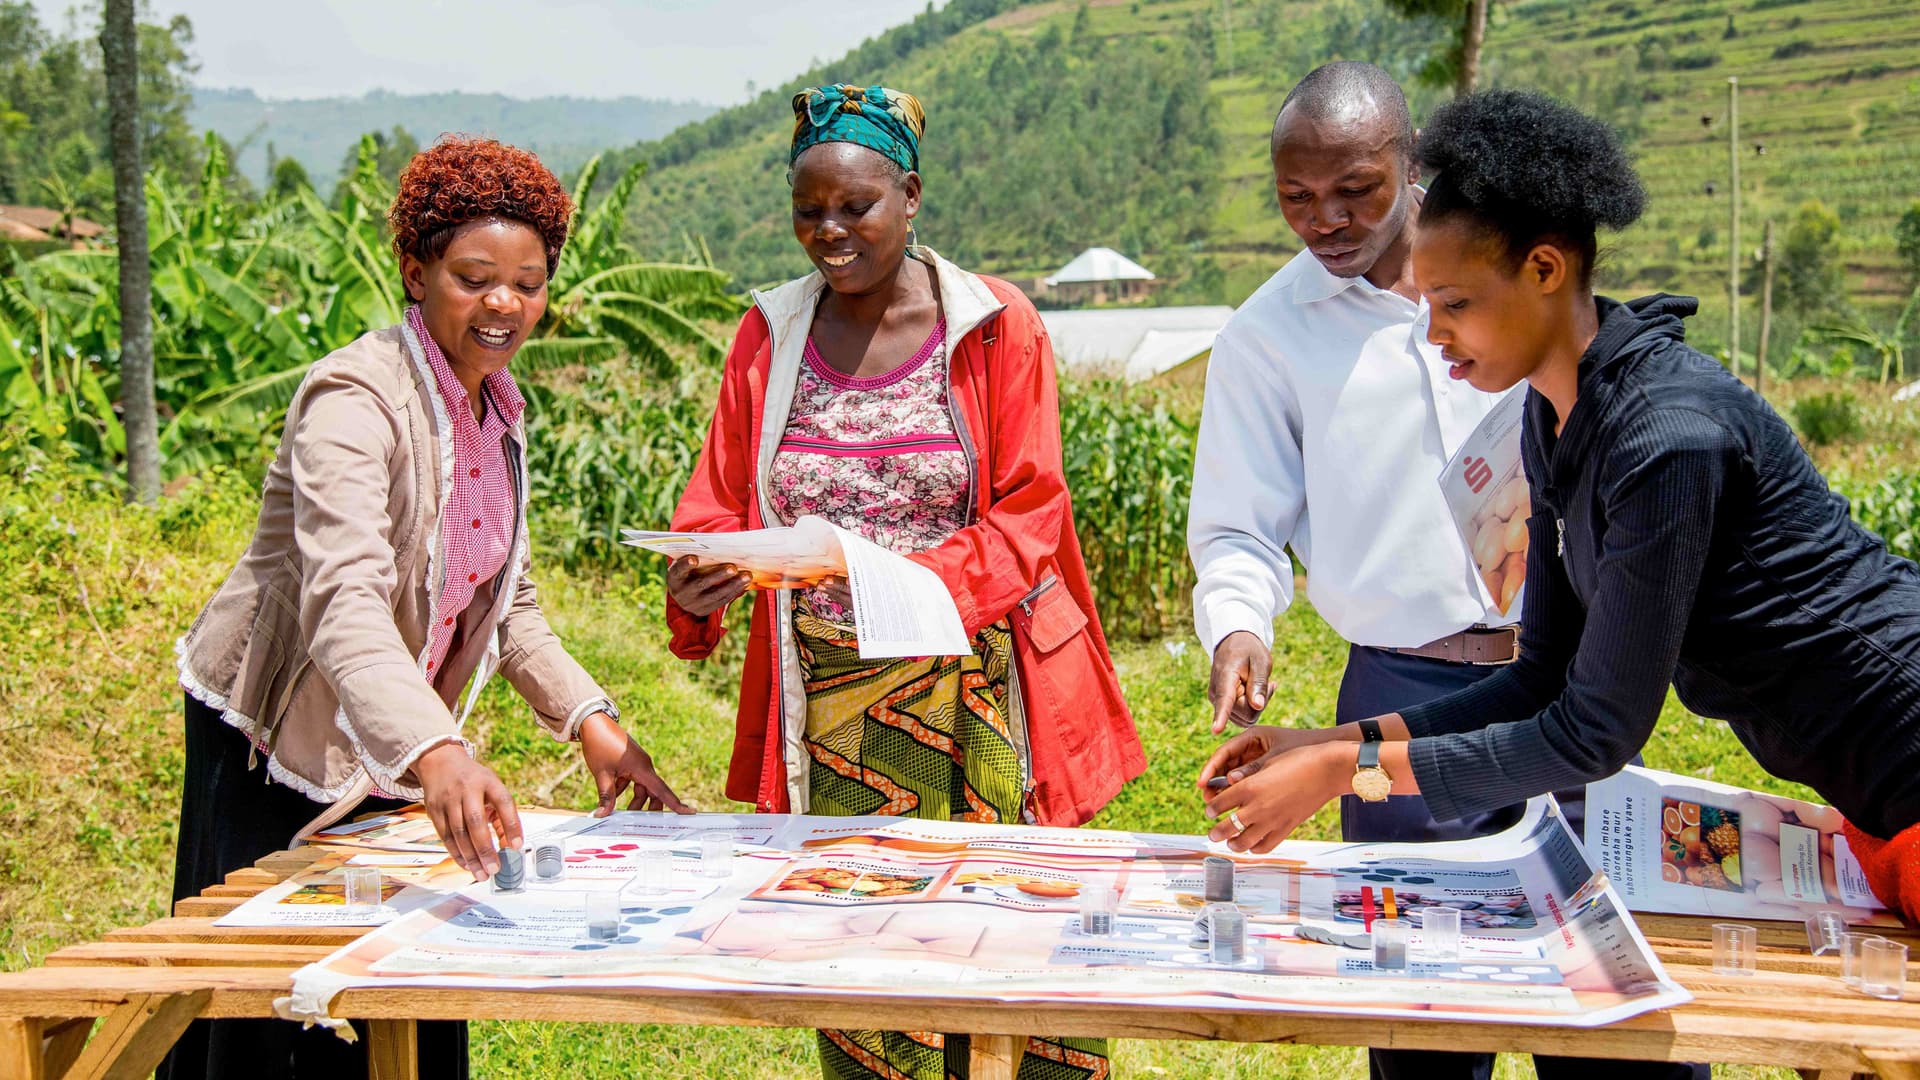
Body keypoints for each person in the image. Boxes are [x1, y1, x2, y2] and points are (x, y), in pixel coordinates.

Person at [1199, 90, 1920, 919]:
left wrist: (1342, 773)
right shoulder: (1553, 419)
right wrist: (1327, 744)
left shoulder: (1667, 443)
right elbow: (1540, 678)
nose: (1432, 337)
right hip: (1872, 786)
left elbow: (1591, 730)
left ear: (1545, 271)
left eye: (1455, 305)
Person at [1188, 63, 1685, 1080]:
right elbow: (1238, 523)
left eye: (1356, 191)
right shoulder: (1267, 338)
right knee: (1423, 1015)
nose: (1324, 220)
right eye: (1296, 198)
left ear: (1413, 166)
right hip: (1403, 683)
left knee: (1610, 1009)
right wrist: (1239, 621)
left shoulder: (1517, 286)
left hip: (1578, 685)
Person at [163, 137, 689, 1080]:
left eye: (528, 283)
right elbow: (343, 602)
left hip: (395, 731)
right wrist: (438, 750)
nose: (504, 304)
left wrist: (590, 721)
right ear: (418, 270)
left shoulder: (495, 412)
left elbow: (508, 603)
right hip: (278, 737)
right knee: (270, 1010)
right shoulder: (355, 398)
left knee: (405, 980)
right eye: (474, 276)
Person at [665, 84, 1143, 1080]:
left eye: (856, 207)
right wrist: (704, 569)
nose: (830, 232)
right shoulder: (769, 335)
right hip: (833, 709)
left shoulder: (993, 324)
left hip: (976, 690)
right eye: (809, 212)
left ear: (911, 194)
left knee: (1008, 945)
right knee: (861, 946)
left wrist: (906, 584)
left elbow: (1031, 507)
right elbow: (716, 498)